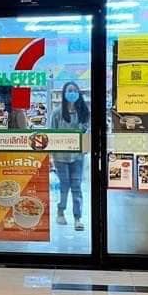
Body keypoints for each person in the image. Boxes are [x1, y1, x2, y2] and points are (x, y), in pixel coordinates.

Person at [50, 81, 90, 230]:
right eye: (69, 90)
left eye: (74, 90)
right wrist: (51, 156)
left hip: (78, 157)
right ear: (64, 94)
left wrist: (85, 150)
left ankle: (77, 218)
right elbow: (51, 134)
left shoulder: (84, 113)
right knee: (64, 185)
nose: (72, 93)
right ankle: (60, 211)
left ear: (78, 93)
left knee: (76, 186)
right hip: (60, 157)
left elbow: (87, 134)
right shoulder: (57, 113)